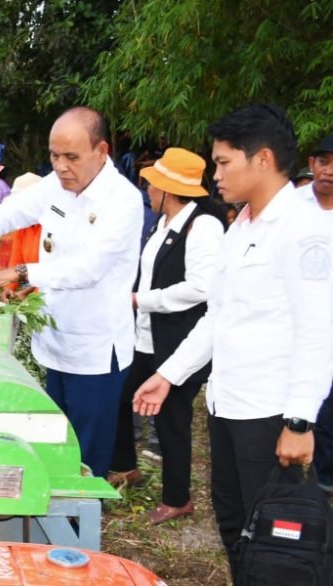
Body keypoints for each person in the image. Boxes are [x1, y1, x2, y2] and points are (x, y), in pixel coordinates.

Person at [132, 104, 333, 581]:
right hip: (227, 408)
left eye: (223, 163)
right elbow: (216, 318)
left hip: (271, 415)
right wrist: (168, 375)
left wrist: (300, 420)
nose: (215, 174)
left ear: (262, 159)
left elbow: (319, 329)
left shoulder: (304, 232)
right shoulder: (239, 227)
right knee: (235, 526)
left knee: (278, 541)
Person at [0, 106, 143, 478]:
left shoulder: (122, 200)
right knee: (52, 442)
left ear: (101, 151)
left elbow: (88, 269)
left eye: (71, 157)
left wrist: (20, 272)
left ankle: (79, 530)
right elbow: (6, 213)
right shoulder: (56, 185)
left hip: (95, 352)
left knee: (85, 461)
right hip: (54, 341)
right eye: (55, 156)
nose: (61, 166)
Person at [109, 148, 225, 524]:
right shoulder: (163, 223)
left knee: (171, 419)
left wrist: (141, 300)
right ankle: (125, 466)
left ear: (168, 189)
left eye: (152, 185)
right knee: (122, 396)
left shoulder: (202, 225)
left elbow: (201, 287)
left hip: (179, 339)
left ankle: (178, 498)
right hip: (147, 337)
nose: (147, 191)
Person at [296, 133, 333, 494]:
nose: (330, 171)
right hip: (299, 323)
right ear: (311, 164)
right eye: (324, 162)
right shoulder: (292, 206)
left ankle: (325, 477)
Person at [2, 172, 43, 301]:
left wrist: (27, 292)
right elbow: (17, 264)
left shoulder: (52, 228)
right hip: (35, 289)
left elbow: (54, 272)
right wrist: (9, 288)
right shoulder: (23, 230)